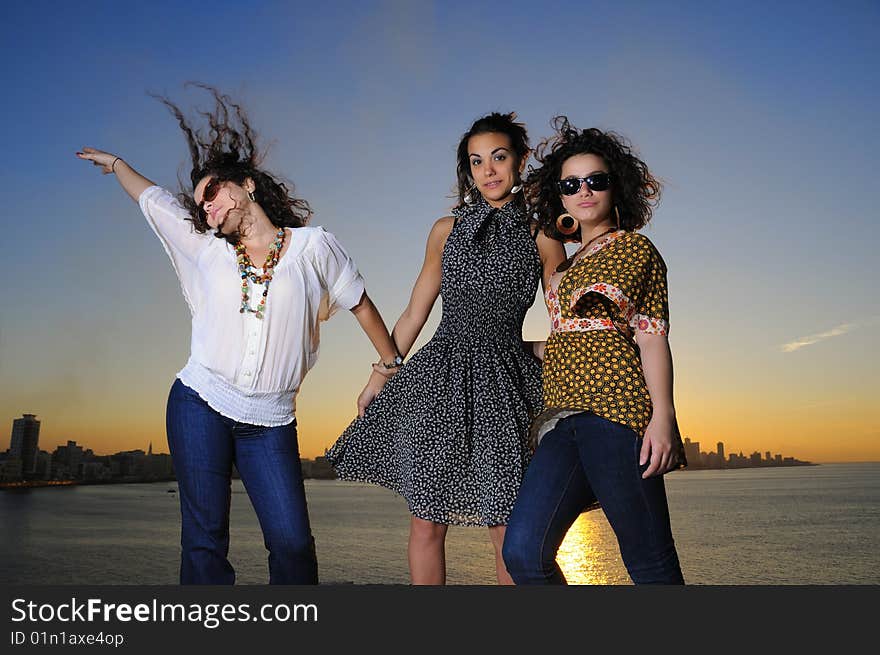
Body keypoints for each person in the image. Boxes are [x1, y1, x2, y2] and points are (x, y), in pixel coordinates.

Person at [75, 86, 401, 585]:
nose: (206, 210)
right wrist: (118, 163)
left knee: (293, 545)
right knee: (204, 541)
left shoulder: (314, 247)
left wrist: (386, 366)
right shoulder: (207, 249)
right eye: (200, 206)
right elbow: (155, 201)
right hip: (199, 403)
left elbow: (361, 303)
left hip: (269, 422)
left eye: (212, 194)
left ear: (245, 185)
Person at [326, 112, 566, 585]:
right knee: (426, 522)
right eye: (477, 162)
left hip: (504, 385)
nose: (489, 170)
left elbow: (565, 320)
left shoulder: (543, 235)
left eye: (499, 157)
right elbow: (415, 313)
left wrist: (534, 351)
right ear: (468, 171)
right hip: (440, 379)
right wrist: (380, 376)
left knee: (507, 525)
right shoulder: (445, 229)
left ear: (519, 160)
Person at [502, 116, 686, 585]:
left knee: (650, 564)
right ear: (559, 195)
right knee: (523, 552)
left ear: (615, 187)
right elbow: (567, 337)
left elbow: (650, 336)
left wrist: (662, 417)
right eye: (570, 184)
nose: (583, 191)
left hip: (618, 415)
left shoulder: (635, 250)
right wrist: (498, 347)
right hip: (560, 420)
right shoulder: (563, 268)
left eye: (595, 181)